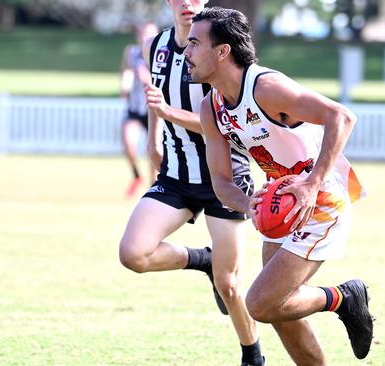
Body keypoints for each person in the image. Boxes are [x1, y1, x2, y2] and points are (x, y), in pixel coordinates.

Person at [186, 7, 373, 364]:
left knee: (260, 303)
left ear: (222, 51)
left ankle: (343, 297)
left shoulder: (267, 88)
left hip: (321, 199)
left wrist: (310, 184)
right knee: (280, 311)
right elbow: (223, 183)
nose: (186, 52)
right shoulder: (212, 108)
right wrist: (248, 204)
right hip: (281, 201)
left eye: (195, 43)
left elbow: (342, 117)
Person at [118, 1, 264, 365]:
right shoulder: (157, 46)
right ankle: (202, 259)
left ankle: (253, 356)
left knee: (229, 284)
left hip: (225, 177)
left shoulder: (219, 47)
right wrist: (153, 139)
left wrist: (169, 114)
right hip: (177, 173)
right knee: (133, 253)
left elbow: (227, 121)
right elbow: (156, 96)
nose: (188, 4)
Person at [119, 22, 158, 198]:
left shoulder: (161, 54)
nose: (145, 37)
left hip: (155, 109)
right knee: (128, 142)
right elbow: (127, 71)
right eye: (143, 34)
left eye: (149, 34)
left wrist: (147, 77)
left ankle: (154, 189)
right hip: (135, 109)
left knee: (154, 150)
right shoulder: (132, 52)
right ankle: (136, 176)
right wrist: (124, 86)